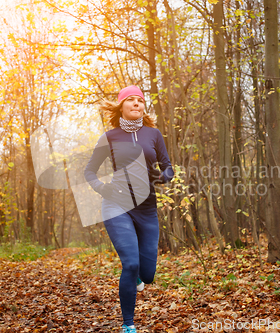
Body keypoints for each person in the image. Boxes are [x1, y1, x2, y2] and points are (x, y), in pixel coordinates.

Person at [84, 85, 174, 333]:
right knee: (130, 264)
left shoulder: (153, 135)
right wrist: (103, 189)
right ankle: (128, 325)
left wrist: (161, 177)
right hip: (117, 205)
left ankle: (138, 278)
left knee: (148, 275)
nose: (137, 103)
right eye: (131, 100)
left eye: (140, 100)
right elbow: (89, 172)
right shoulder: (110, 137)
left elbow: (169, 168)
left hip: (146, 209)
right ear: (121, 106)